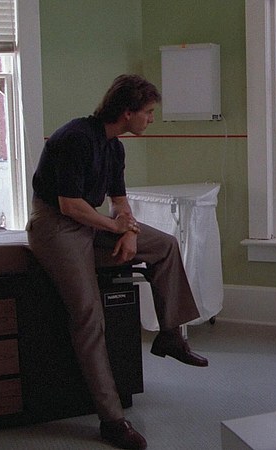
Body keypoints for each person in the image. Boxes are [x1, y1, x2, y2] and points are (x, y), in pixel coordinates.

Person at [27, 74, 208, 449]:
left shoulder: (115, 148)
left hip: (90, 222)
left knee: (164, 245)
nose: (151, 119)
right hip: (55, 227)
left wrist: (130, 232)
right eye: (148, 112)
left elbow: (119, 200)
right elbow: (69, 205)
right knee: (88, 316)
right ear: (127, 112)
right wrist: (114, 226)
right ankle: (112, 420)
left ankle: (170, 335)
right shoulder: (76, 137)